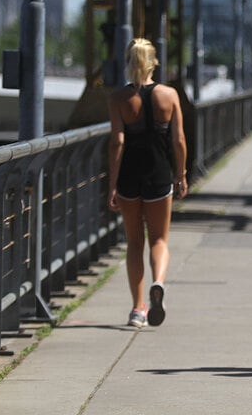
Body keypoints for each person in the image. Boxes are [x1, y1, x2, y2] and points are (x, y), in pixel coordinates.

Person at [107, 38, 188, 328]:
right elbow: (178, 140)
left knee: (134, 243)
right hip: (159, 173)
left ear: (129, 63)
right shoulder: (169, 95)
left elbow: (117, 142)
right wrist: (181, 173)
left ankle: (137, 309)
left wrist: (112, 183)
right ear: (154, 62)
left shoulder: (118, 99)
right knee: (159, 239)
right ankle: (159, 282)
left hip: (129, 175)